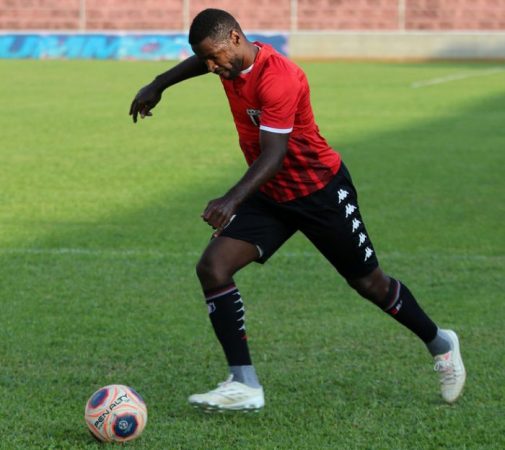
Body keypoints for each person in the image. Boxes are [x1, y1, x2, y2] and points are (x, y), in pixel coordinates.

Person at [129, 8, 466, 412]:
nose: (212, 66)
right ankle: (244, 383)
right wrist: (159, 83)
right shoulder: (227, 62)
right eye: (207, 59)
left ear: (235, 38)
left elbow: (274, 155)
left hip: (319, 192)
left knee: (369, 284)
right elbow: (202, 62)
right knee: (213, 267)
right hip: (270, 194)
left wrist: (230, 200)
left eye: (215, 57)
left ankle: (440, 343)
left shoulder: (279, 77)